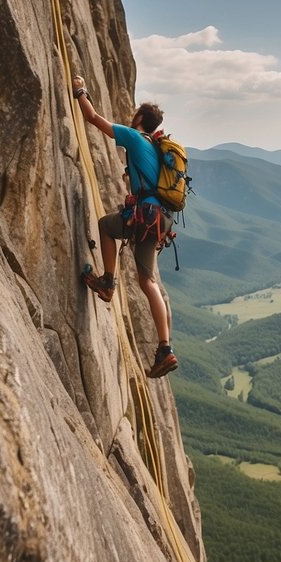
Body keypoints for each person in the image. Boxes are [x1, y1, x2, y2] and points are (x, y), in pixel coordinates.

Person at [72, 74, 178, 378]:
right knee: (148, 282)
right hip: (159, 219)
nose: (131, 118)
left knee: (106, 226)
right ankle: (165, 349)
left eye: (135, 115)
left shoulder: (135, 137)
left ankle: (107, 281)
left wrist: (80, 89)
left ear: (140, 118)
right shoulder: (156, 148)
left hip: (145, 216)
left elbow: (92, 118)